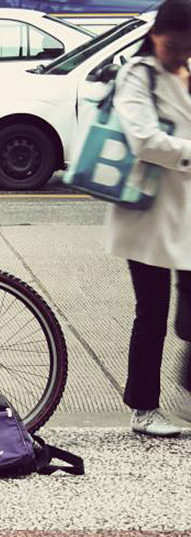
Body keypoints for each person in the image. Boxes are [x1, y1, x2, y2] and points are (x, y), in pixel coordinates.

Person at [107, 0, 191, 437]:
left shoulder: (185, 72)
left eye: (187, 46)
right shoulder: (137, 74)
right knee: (152, 312)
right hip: (148, 214)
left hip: (185, 212)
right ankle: (144, 408)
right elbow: (142, 139)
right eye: (173, 44)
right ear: (157, 34)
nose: (178, 53)